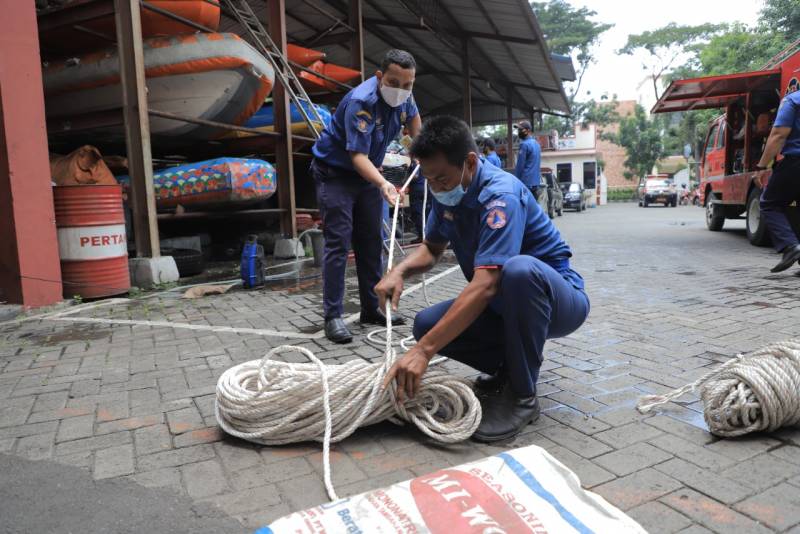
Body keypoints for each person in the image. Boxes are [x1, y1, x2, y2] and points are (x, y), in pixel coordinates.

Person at [375, 116, 589, 442]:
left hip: (557, 299)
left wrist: (423, 352)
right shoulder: (447, 193)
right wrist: (399, 271)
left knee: (519, 271)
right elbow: (432, 248)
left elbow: (487, 283)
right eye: (429, 180)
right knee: (427, 324)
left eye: (442, 178)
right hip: (506, 302)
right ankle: (509, 370)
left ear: (471, 162)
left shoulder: (500, 195)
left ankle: (523, 397)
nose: (436, 188)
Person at [311, 49, 422, 343]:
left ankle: (372, 308)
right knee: (338, 242)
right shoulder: (362, 102)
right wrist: (383, 183)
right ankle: (333, 316)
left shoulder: (406, 95)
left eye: (407, 85)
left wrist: (420, 150)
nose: (400, 90)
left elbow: (414, 120)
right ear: (379, 76)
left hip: (370, 173)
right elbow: (357, 156)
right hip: (337, 173)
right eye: (394, 83)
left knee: (372, 241)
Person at [758, 88, 800, 273]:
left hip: (796, 161)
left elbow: (778, 135)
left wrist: (761, 166)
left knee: (769, 203)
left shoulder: (793, 100)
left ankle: (790, 246)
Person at [514, 121, 546, 213]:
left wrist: (515, 182)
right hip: (535, 183)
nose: (519, 132)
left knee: (523, 211)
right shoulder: (537, 144)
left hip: (525, 183)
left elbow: (520, 166)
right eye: (518, 129)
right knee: (533, 210)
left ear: (528, 130)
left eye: (521, 129)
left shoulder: (524, 145)